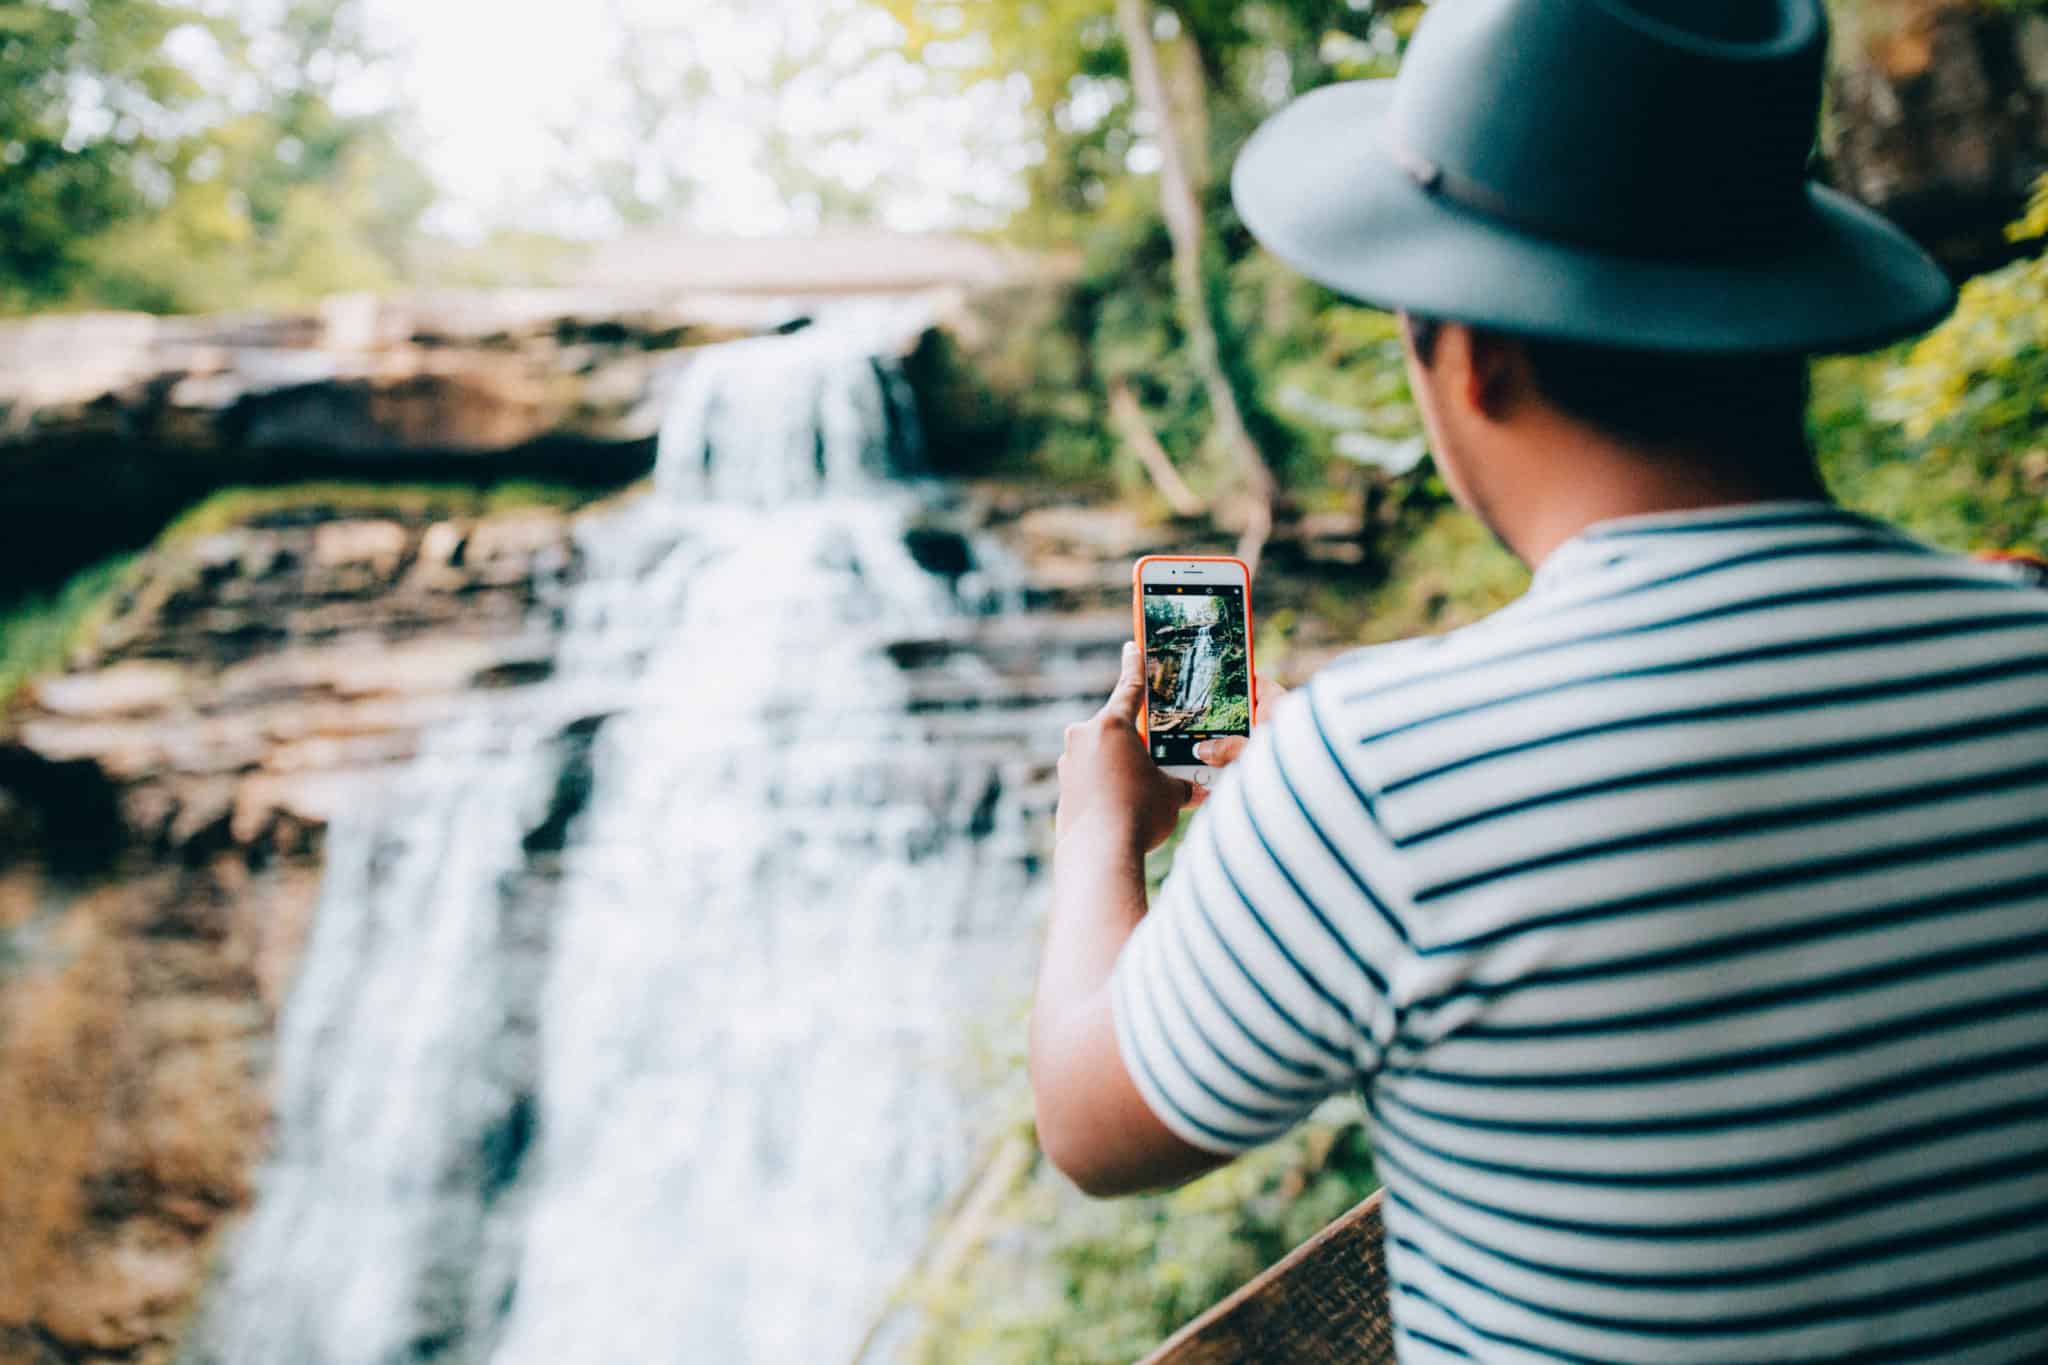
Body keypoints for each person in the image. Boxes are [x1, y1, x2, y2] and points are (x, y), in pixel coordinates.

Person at [1033, 0, 2048, 1359]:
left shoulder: (1374, 776)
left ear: (1470, 353)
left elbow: (1093, 1128)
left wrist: (1103, 826)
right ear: (1783, 316)